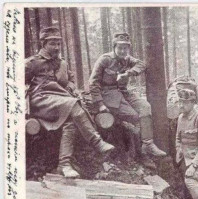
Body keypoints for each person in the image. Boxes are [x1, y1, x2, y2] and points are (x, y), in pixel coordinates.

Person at [25, 27, 115, 178]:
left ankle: (64, 165)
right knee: (73, 104)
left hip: (60, 100)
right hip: (41, 100)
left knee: (70, 123)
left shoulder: (62, 63)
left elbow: (70, 80)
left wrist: (71, 86)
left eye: (59, 44)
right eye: (52, 44)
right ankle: (96, 141)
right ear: (44, 44)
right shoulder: (32, 62)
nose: (57, 47)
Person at [89, 32, 166, 158]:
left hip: (123, 92)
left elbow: (142, 64)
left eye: (125, 48)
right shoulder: (105, 59)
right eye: (120, 48)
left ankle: (148, 144)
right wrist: (100, 104)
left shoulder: (127, 59)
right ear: (114, 47)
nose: (123, 51)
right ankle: (137, 153)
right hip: (107, 94)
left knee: (145, 107)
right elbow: (93, 83)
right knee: (135, 116)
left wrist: (129, 73)